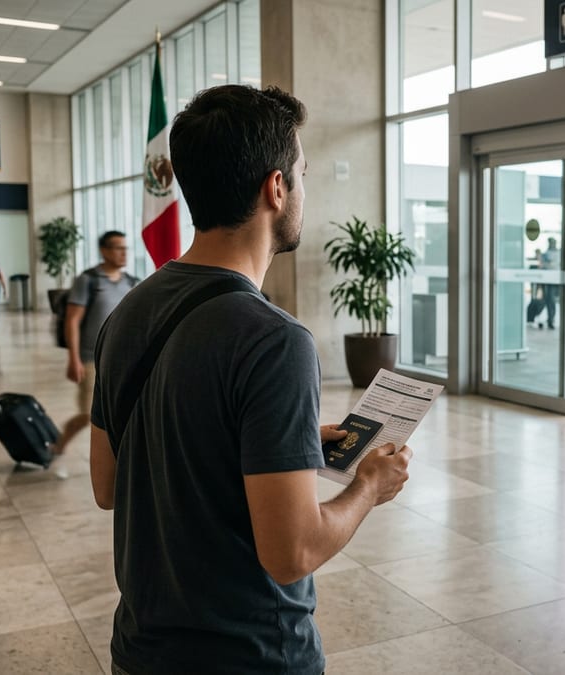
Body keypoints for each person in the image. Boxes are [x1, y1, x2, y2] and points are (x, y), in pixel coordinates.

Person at [90, 85, 412, 675]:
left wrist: (292, 439)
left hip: (141, 652)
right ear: (276, 187)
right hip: (250, 657)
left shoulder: (128, 312)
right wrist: (368, 486)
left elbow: (109, 484)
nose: (304, 191)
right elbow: (292, 552)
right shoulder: (275, 340)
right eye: (303, 174)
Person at [54, 231, 139, 457]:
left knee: (122, 412)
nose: (123, 253)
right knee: (89, 413)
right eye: (117, 248)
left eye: (125, 248)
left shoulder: (131, 282)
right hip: (91, 358)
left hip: (122, 360)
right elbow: (72, 320)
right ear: (104, 251)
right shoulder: (88, 280)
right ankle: (58, 444)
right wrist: (74, 359)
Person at [541, 237, 563, 330]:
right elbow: (544, 265)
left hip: (555, 280)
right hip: (548, 280)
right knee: (549, 301)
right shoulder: (546, 254)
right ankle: (550, 319)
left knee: (551, 301)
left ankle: (551, 319)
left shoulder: (558, 254)